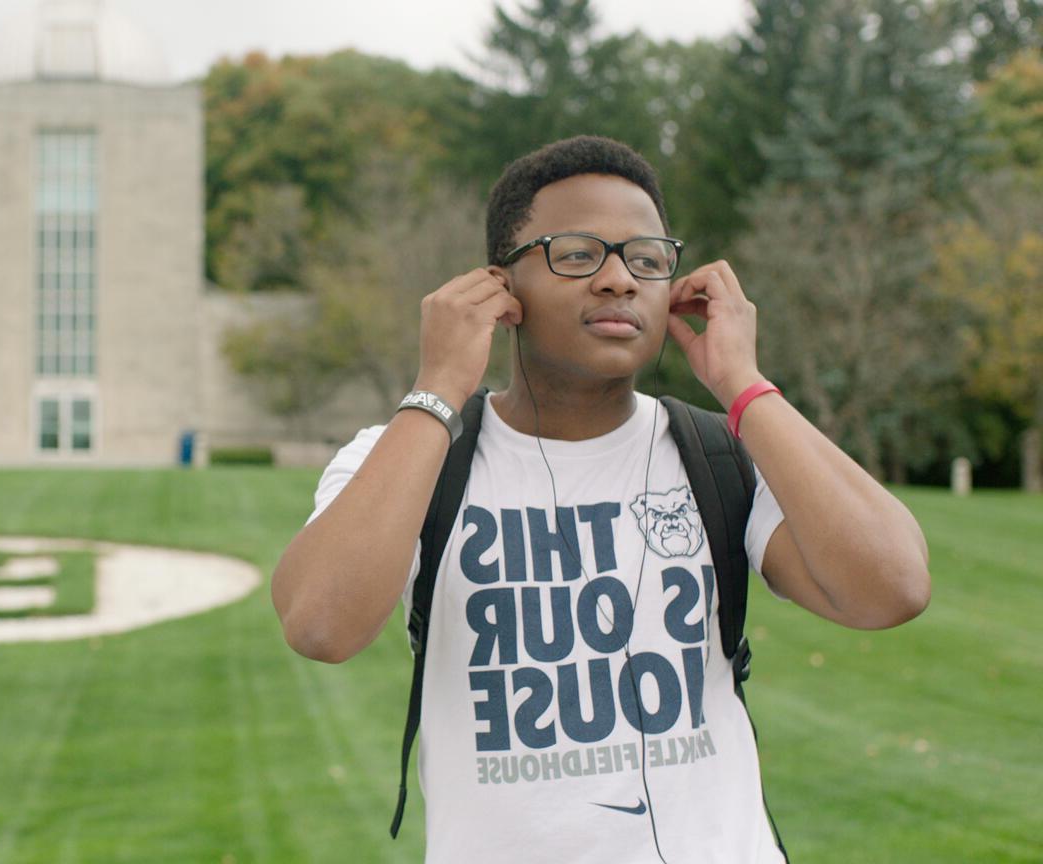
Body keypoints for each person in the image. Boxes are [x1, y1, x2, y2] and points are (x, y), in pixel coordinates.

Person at [270, 135, 931, 863]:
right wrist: (437, 390)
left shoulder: (719, 456)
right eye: (578, 253)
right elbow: (321, 626)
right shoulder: (406, 456)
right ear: (500, 287)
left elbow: (892, 589)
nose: (619, 280)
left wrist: (744, 387)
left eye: (646, 259)